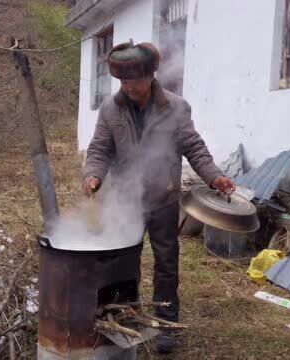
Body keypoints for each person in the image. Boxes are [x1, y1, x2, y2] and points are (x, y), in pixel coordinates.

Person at [81, 41, 234, 353]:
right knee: (125, 260)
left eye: (134, 80)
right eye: (123, 81)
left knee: (166, 261)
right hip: (126, 198)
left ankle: (166, 324)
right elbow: (100, 149)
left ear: (150, 75)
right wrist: (92, 174)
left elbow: (194, 146)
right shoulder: (111, 108)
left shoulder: (175, 107)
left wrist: (214, 175)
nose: (129, 87)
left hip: (163, 197)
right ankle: (126, 317)